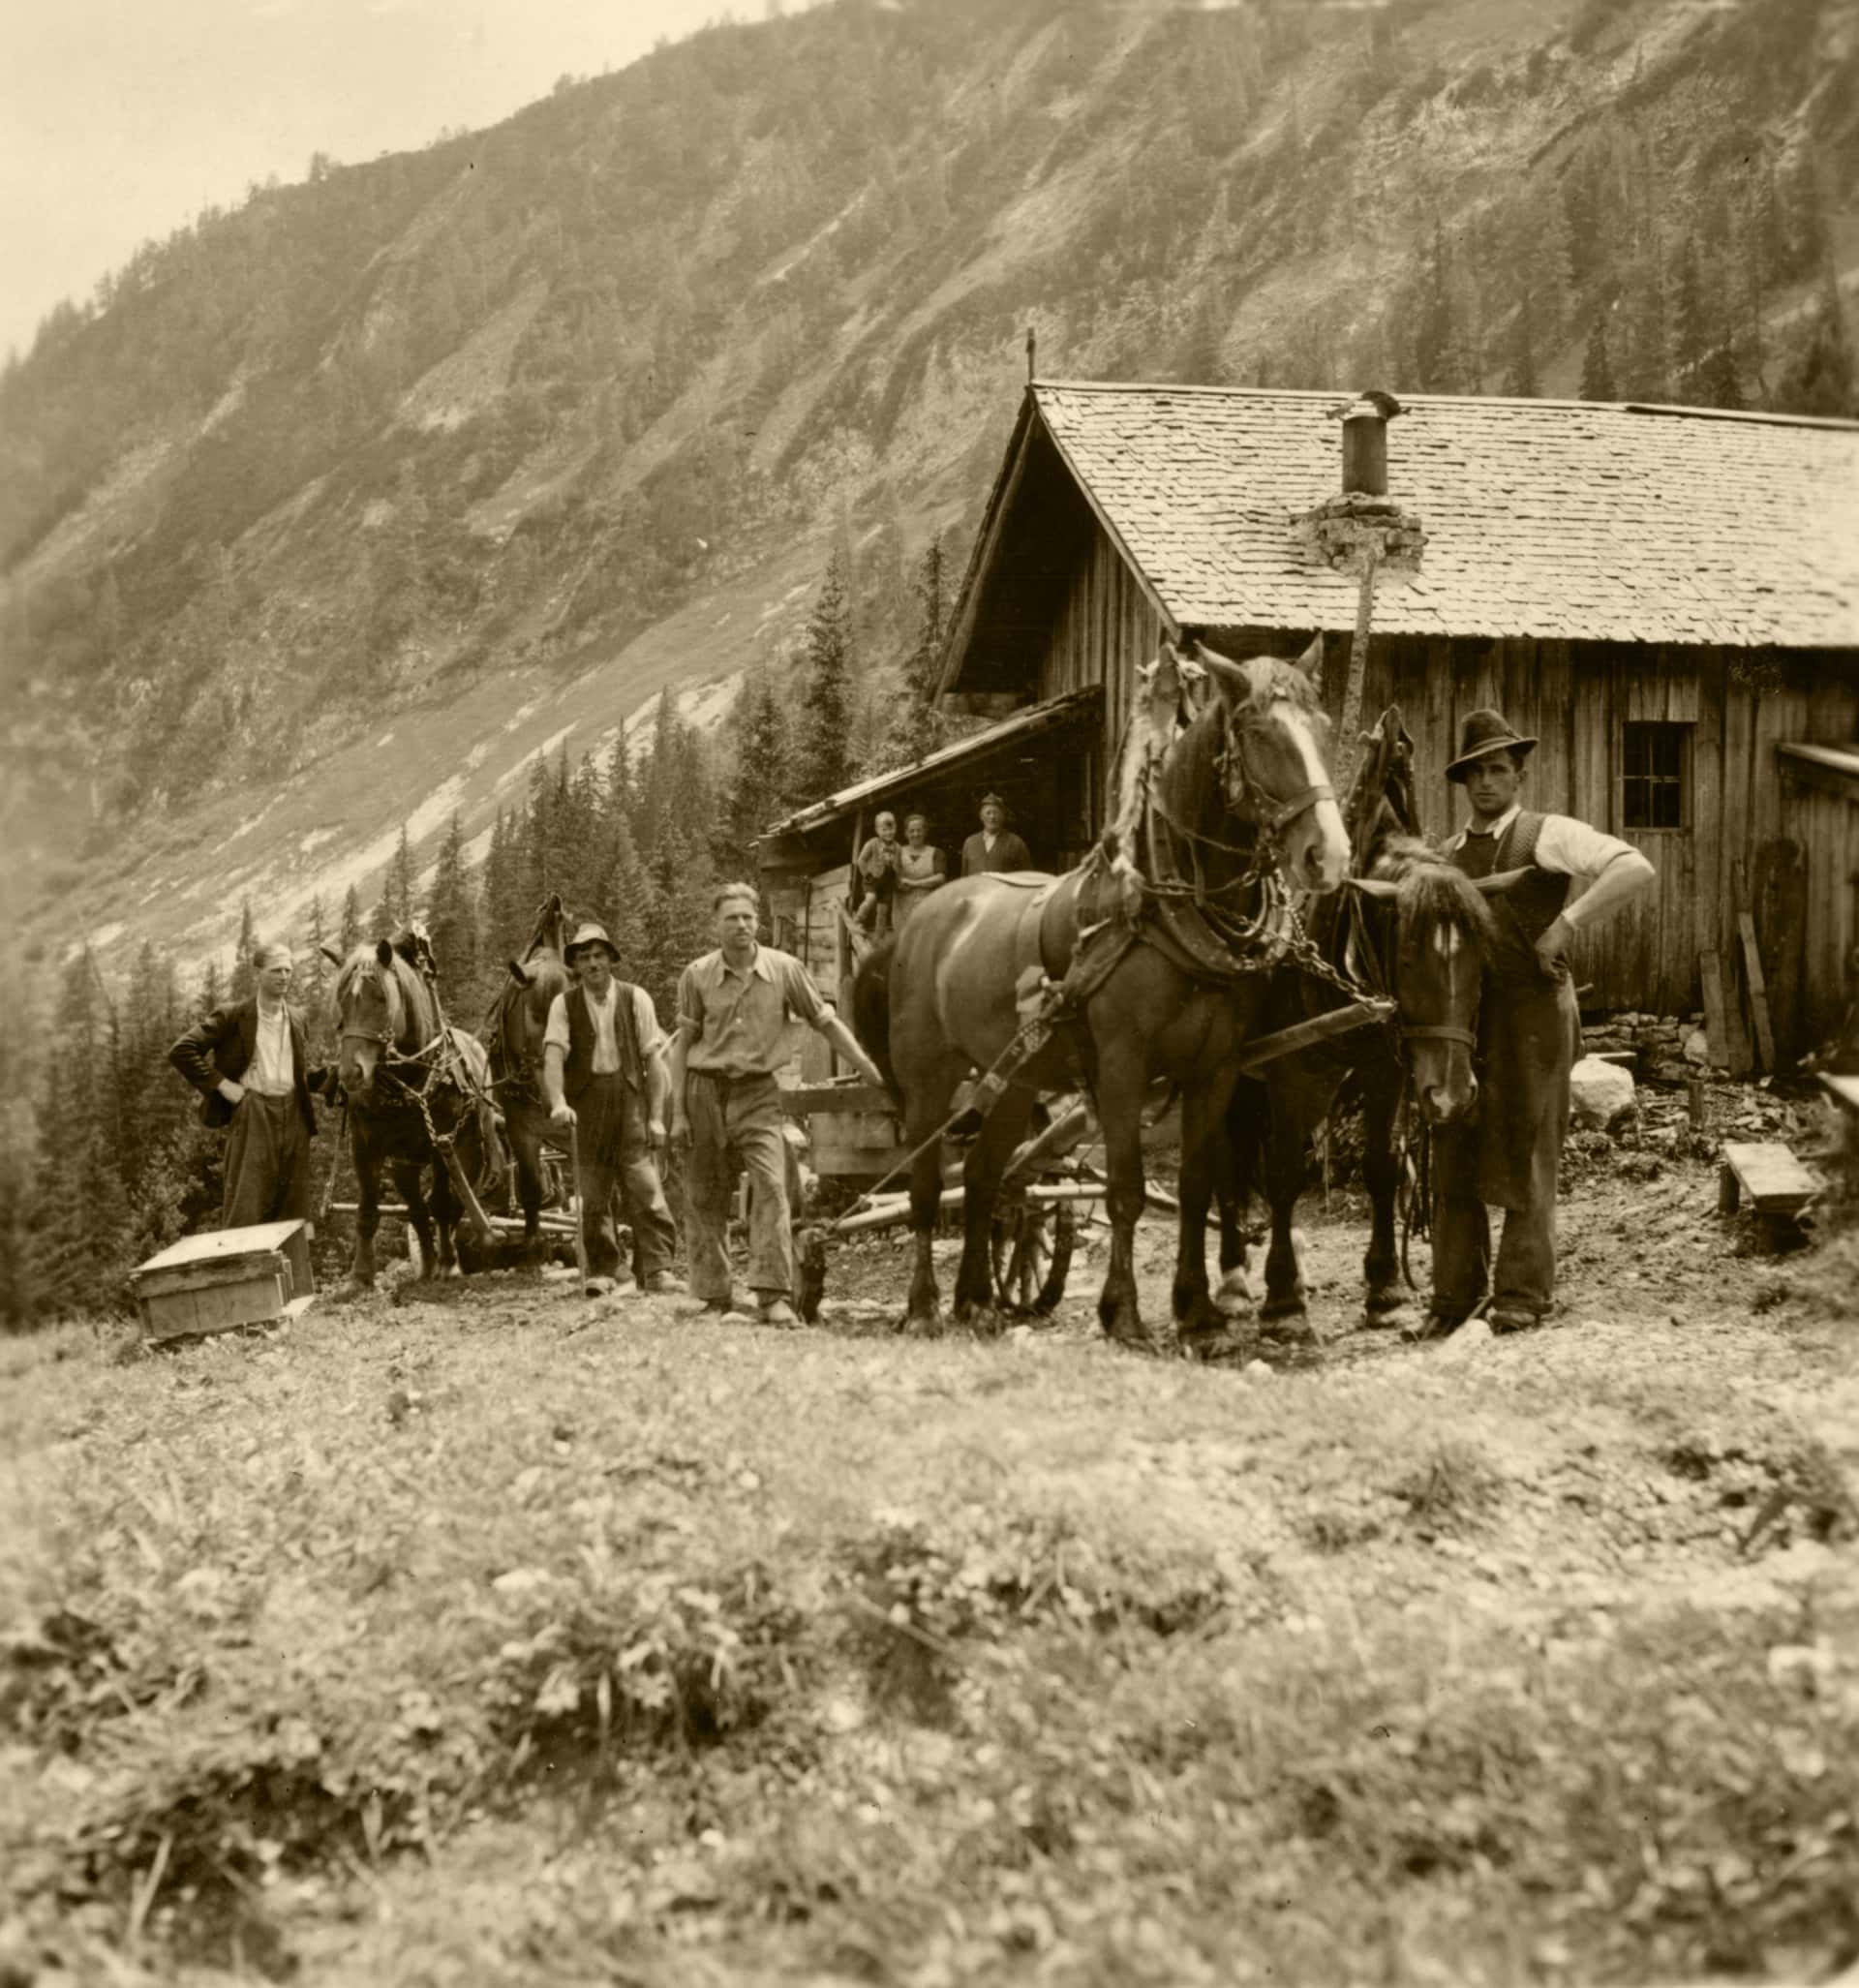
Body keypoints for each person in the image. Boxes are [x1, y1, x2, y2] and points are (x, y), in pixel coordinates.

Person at [1429, 709, 1655, 1337]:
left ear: (1518, 775)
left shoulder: (1546, 835)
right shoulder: (1446, 853)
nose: (1485, 783)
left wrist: (1569, 923)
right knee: (1454, 1144)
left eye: (1497, 769)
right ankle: (1454, 1294)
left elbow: (1635, 866)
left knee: (1529, 1148)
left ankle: (1522, 1294)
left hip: (1534, 1020)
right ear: (1462, 781)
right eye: (1474, 773)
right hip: (1471, 1024)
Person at [668, 881, 887, 1324]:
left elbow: (825, 1023)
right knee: (704, 1194)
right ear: (716, 926)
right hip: (703, 1091)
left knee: (771, 1187)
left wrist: (870, 1069)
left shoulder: (785, 970)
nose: (742, 925)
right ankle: (714, 1296)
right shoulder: (696, 975)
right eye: (731, 918)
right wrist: (677, 1113)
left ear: (758, 922)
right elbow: (682, 1044)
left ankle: (772, 1295)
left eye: (748, 917)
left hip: (758, 1093)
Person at [542, 922, 683, 1300]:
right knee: (593, 1192)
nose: (592, 963)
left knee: (644, 1185)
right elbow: (554, 1056)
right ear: (576, 965)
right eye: (584, 957)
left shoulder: (636, 998)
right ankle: (606, 1271)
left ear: (611, 959)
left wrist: (655, 1116)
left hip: (629, 1102)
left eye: (599, 955)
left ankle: (657, 1269)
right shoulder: (564, 1005)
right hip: (587, 1105)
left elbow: (655, 1063)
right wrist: (558, 1102)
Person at [168, 940, 319, 1231]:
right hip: (253, 1113)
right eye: (276, 970)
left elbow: (301, 1072)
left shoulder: (299, 1018)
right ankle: (244, 1273)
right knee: (246, 1203)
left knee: (294, 1209)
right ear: (258, 974)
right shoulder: (233, 1015)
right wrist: (222, 1085)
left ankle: (296, 1276)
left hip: (295, 1116)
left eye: (288, 970)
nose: (284, 976)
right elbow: (182, 1050)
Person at [893, 811, 946, 928]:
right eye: (911, 831)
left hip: (929, 908)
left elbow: (940, 878)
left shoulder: (936, 853)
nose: (915, 834)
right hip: (902, 910)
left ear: (925, 831)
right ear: (906, 833)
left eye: (919, 830)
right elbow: (894, 877)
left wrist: (913, 882)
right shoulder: (898, 852)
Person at [960, 792, 1032, 877]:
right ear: (981, 817)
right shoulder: (970, 843)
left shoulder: (1016, 842)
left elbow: (1028, 876)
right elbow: (964, 878)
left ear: (1003, 816)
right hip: (978, 890)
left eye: (996, 813)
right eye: (988, 813)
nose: (992, 817)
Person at [854, 810, 900, 933]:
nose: (888, 833)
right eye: (884, 830)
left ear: (895, 828)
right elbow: (861, 860)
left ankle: (879, 937)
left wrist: (898, 880)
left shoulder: (898, 847)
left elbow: (899, 866)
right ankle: (857, 921)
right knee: (871, 899)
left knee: (883, 910)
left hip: (887, 883)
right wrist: (867, 875)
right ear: (877, 830)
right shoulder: (872, 843)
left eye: (891, 829)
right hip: (872, 880)